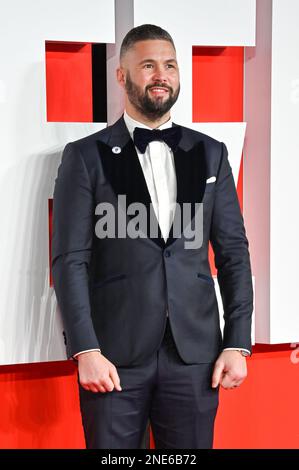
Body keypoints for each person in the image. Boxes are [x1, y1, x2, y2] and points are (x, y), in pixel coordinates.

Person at [51, 24, 253, 449]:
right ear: (122, 76)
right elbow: (70, 260)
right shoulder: (86, 156)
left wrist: (237, 341)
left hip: (195, 357)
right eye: (147, 65)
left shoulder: (211, 151)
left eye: (170, 65)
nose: (161, 74)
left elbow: (233, 252)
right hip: (112, 356)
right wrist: (85, 349)